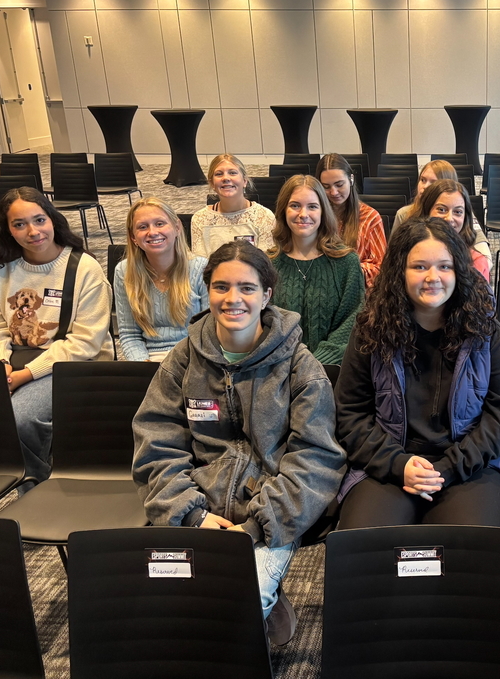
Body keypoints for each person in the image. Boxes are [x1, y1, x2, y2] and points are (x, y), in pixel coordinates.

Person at [132, 241, 346, 645]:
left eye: (247, 288)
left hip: (269, 517)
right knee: (163, 610)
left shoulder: (301, 368)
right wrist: (190, 514)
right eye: (221, 287)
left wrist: (253, 528)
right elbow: (155, 442)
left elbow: (315, 459)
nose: (233, 299)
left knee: (229, 612)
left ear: (266, 295)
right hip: (198, 506)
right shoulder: (183, 359)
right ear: (206, 290)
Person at [334, 218, 500, 529]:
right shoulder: (370, 331)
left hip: (471, 464)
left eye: (444, 266)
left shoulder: (486, 331)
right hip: (390, 461)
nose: (433, 277)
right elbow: (350, 416)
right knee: (367, 547)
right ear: (400, 272)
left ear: (458, 272)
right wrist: (400, 466)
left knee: (460, 552)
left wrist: (450, 467)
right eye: (419, 267)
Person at [0, 186, 112, 483]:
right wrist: (1, 365)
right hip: (12, 365)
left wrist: (25, 375)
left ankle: (37, 486)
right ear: (8, 230)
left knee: (17, 419)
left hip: (73, 365)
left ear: (52, 219)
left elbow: (86, 342)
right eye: (19, 224)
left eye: (39, 220)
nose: (32, 231)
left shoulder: (84, 268)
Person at [269, 175, 365, 365]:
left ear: (323, 212)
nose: (303, 214)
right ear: (283, 211)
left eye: (312, 206)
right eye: (295, 205)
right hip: (278, 370)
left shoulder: (346, 262)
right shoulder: (268, 264)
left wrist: (311, 364)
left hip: (331, 370)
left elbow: (352, 320)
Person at [115, 197, 209, 362]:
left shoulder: (201, 268)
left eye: (160, 224)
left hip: (193, 359)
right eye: (143, 227)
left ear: (177, 227)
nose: (152, 232)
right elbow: (129, 334)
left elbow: (209, 331)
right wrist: (143, 366)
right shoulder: (124, 272)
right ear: (133, 237)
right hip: (148, 360)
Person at [316, 153, 386, 288]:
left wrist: (345, 270)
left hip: (358, 291)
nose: (334, 192)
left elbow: (380, 268)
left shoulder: (370, 217)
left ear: (351, 179)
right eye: (326, 187)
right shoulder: (315, 215)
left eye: (339, 184)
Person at [190, 153, 275, 257]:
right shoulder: (199, 219)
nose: (225, 178)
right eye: (219, 174)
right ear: (212, 183)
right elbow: (199, 265)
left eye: (232, 173)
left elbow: (265, 263)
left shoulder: (264, 216)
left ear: (244, 181)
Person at [411, 179, 490, 281]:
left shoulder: (476, 261)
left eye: (457, 212)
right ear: (427, 211)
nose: (449, 218)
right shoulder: (407, 253)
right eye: (441, 210)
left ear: (465, 217)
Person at [392, 159, 458, 229]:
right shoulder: (403, 214)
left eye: (433, 182)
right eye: (423, 180)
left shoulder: (459, 218)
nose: (425, 186)